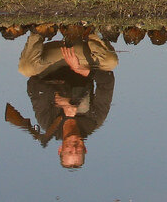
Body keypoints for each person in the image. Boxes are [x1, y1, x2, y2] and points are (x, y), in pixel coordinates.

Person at [8, 31, 119, 169]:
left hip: (53, 62)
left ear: (60, 149)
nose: (73, 147)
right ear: (85, 149)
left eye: (68, 151)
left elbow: (33, 84)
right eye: (77, 151)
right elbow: (107, 81)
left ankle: (40, 29)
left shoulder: (48, 124)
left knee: (26, 69)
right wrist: (81, 70)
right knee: (111, 62)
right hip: (80, 57)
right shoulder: (94, 120)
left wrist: (57, 97)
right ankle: (90, 29)